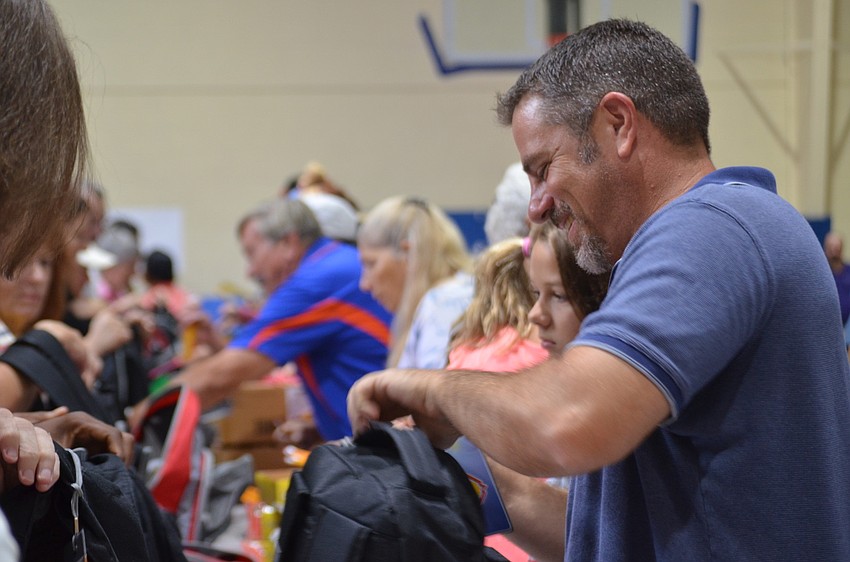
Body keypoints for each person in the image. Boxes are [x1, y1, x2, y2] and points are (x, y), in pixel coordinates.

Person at [347, 18, 850, 561]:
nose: (536, 205)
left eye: (543, 168)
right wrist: (477, 465)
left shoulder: (710, 228)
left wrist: (434, 389)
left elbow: (566, 423)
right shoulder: (720, 229)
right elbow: (604, 535)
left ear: (619, 124)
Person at [136, 198, 391, 448]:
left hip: (381, 453)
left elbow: (224, 375)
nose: (250, 271)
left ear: (288, 243)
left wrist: (143, 413)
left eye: (252, 252)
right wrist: (320, 429)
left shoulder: (315, 280)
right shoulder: (332, 263)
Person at [357, 196, 473, 368]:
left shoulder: (442, 304)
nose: (364, 284)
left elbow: (437, 391)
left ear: (408, 254)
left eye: (371, 264)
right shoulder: (450, 296)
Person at [823, 231, 850, 326]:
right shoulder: (822, 275)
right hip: (828, 326)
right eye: (831, 248)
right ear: (825, 250)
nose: (834, 252)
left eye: (837, 248)